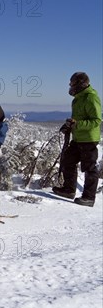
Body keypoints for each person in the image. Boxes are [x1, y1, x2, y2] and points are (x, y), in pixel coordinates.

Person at [52, 72, 101, 207]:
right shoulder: (78, 98)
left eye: (72, 83)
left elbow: (96, 120)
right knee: (68, 160)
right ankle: (69, 190)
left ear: (80, 84)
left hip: (89, 139)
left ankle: (89, 197)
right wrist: (69, 126)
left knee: (89, 167)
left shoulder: (91, 98)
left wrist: (77, 124)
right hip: (78, 137)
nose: (70, 86)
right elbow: (78, 118)